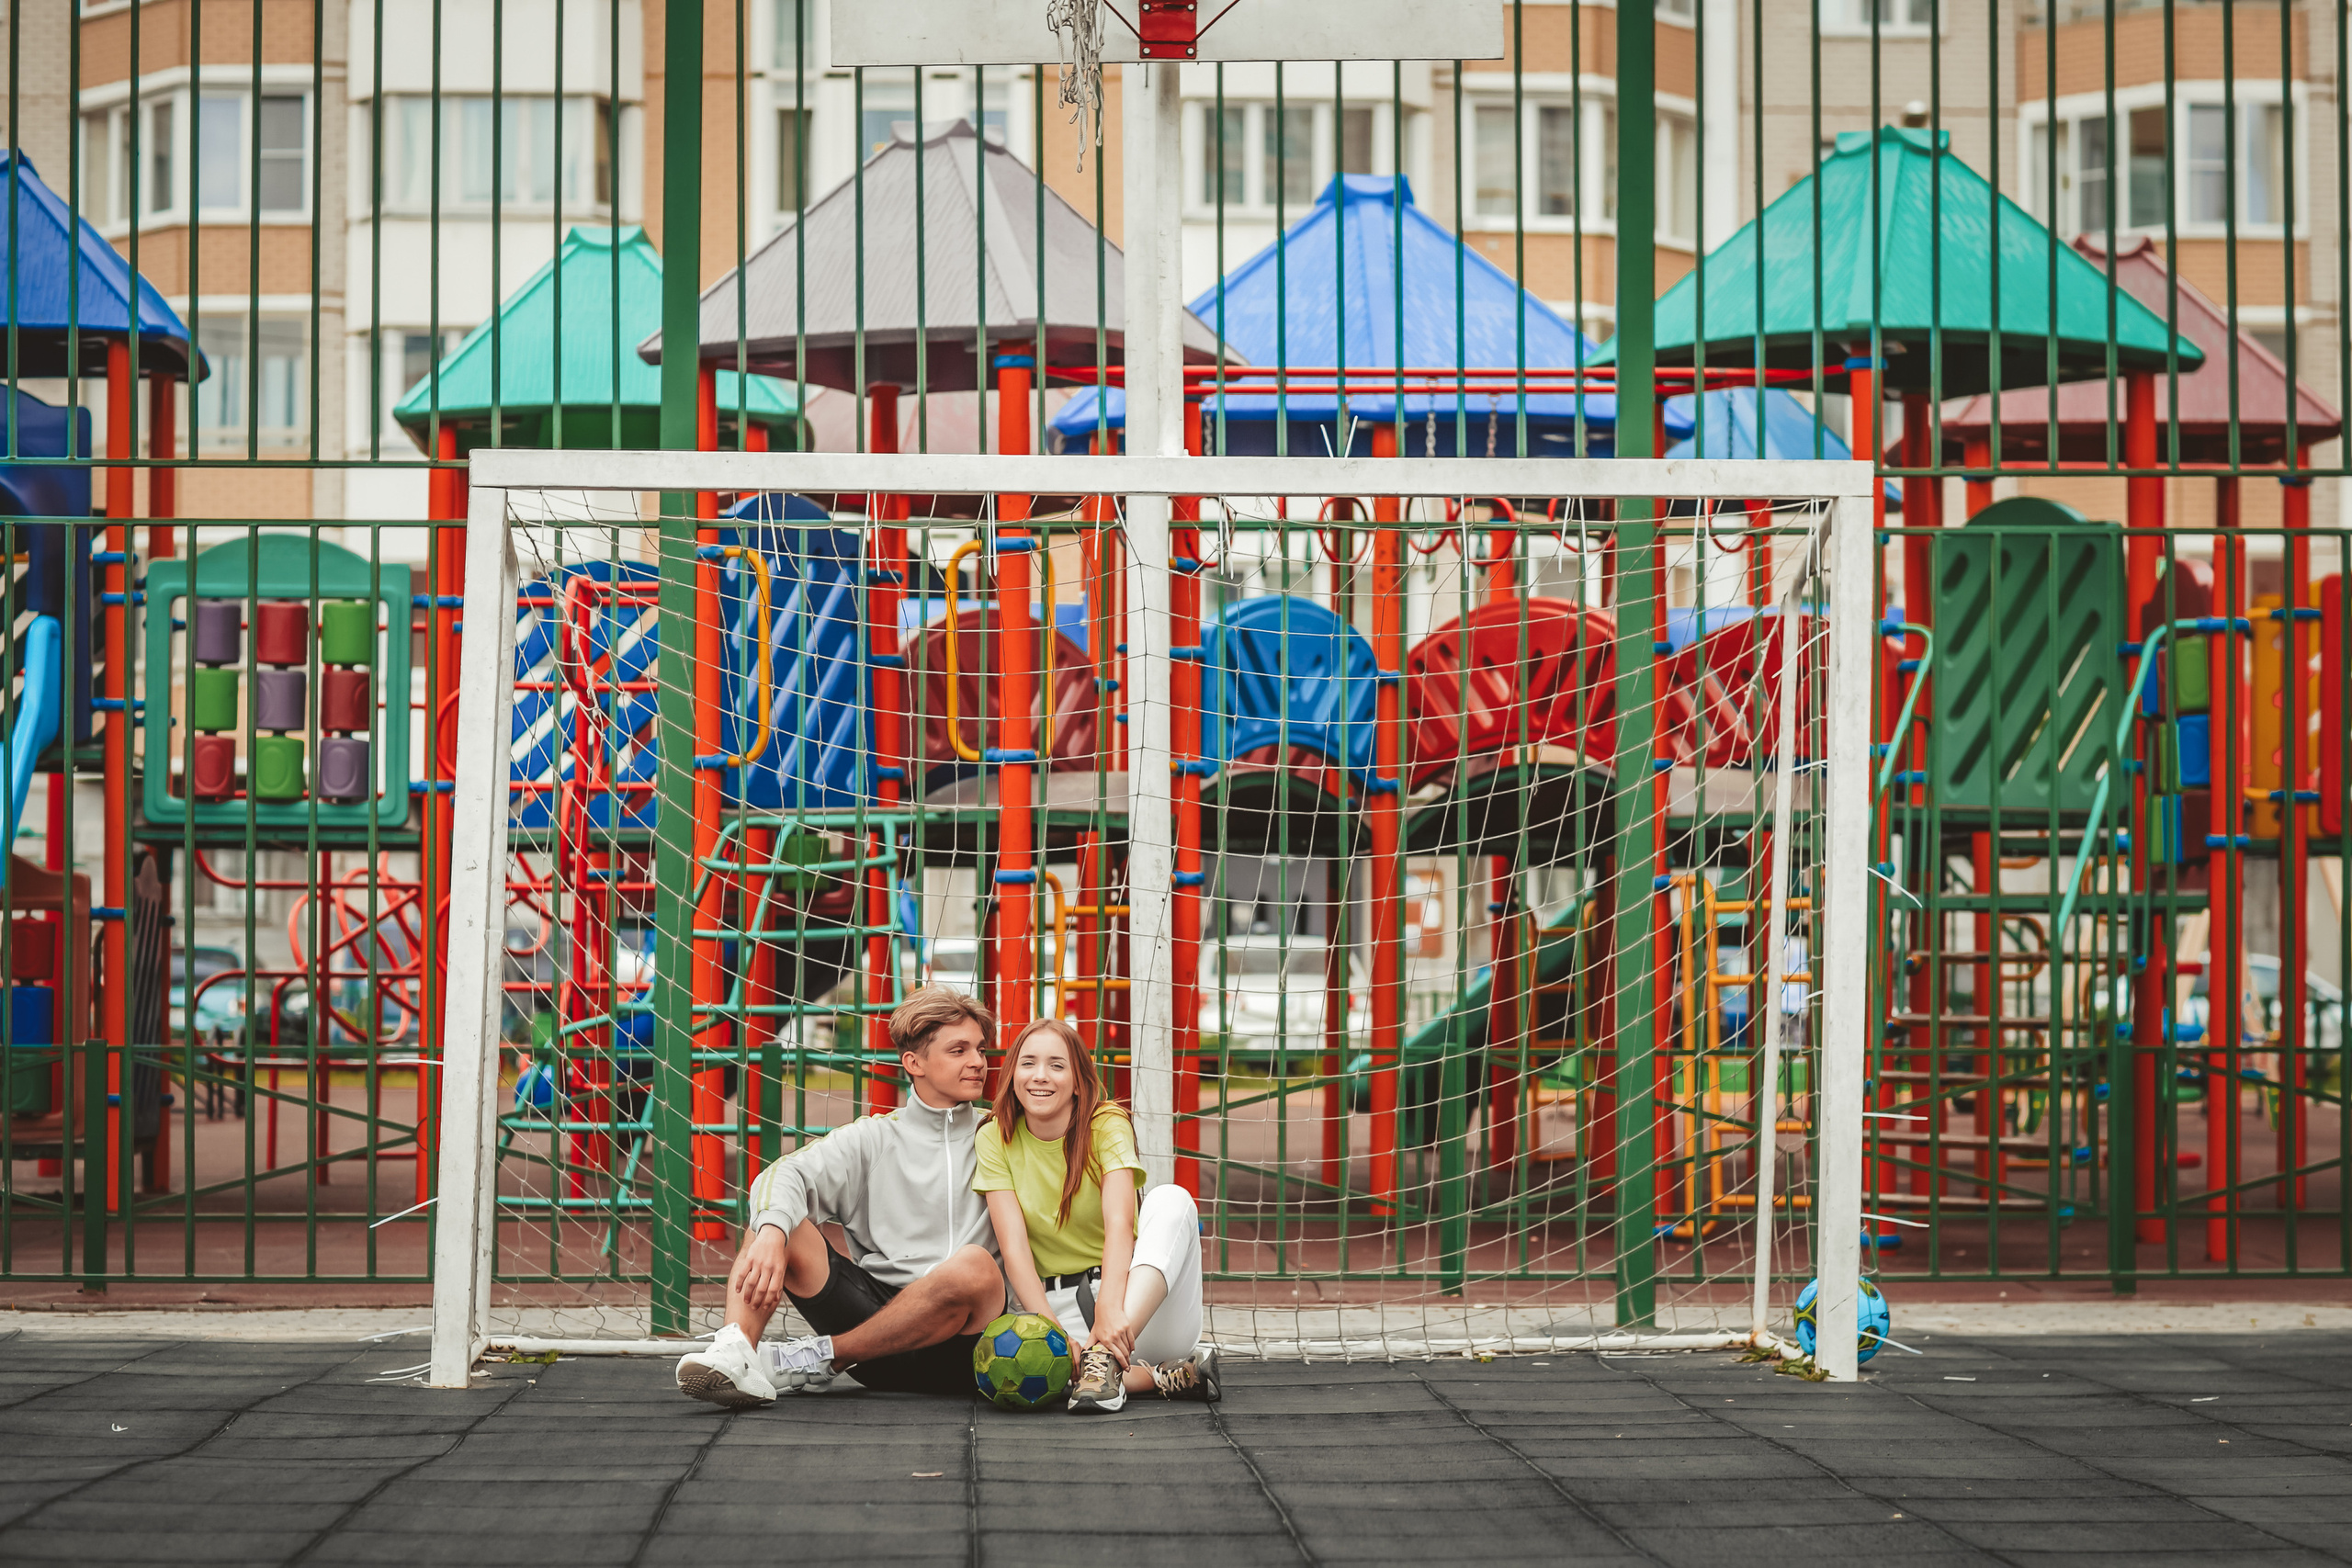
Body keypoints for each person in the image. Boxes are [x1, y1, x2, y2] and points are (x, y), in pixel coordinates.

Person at [674, 987, 1007, 1407]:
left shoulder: (1000, 1134)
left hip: (967, 1350)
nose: (978, 1061)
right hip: (874, 1330)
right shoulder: (873, 1137)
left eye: (979, 1048)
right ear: (914, 1063)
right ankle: (735, 1353)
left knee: (973, 1265)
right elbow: (783, 1173)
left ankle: (816, 1358)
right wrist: (773, 1233)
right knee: (775, 1220)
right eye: (959, 1050)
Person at [975, 1017, 1216, 1412]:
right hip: (1056, 1313)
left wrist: (1109, 1309)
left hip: (1132, 1311)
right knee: (1015, 1375)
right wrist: (1051, 1336)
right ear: (1012, 1072)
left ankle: (1104, 1360)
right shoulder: (994, 1136)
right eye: (1028, 1063)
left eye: (1057, 1065)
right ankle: (1156, 1376)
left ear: (1077, 1080)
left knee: (1172, 1198)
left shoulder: (1105, 1123)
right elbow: (1014, 1248)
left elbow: (1121, 1223)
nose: (1041, 1076)